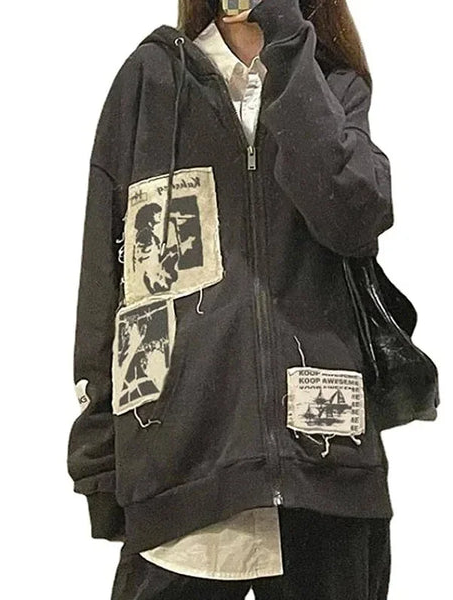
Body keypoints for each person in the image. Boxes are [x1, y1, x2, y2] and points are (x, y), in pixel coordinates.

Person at [67, 0, 402, 597]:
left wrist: (287, 44)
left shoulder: (330, 84)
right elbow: (107, 276)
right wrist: (100, 460)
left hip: (325, 468)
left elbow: (354, 218)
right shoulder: (149, 81)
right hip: (183, 466)